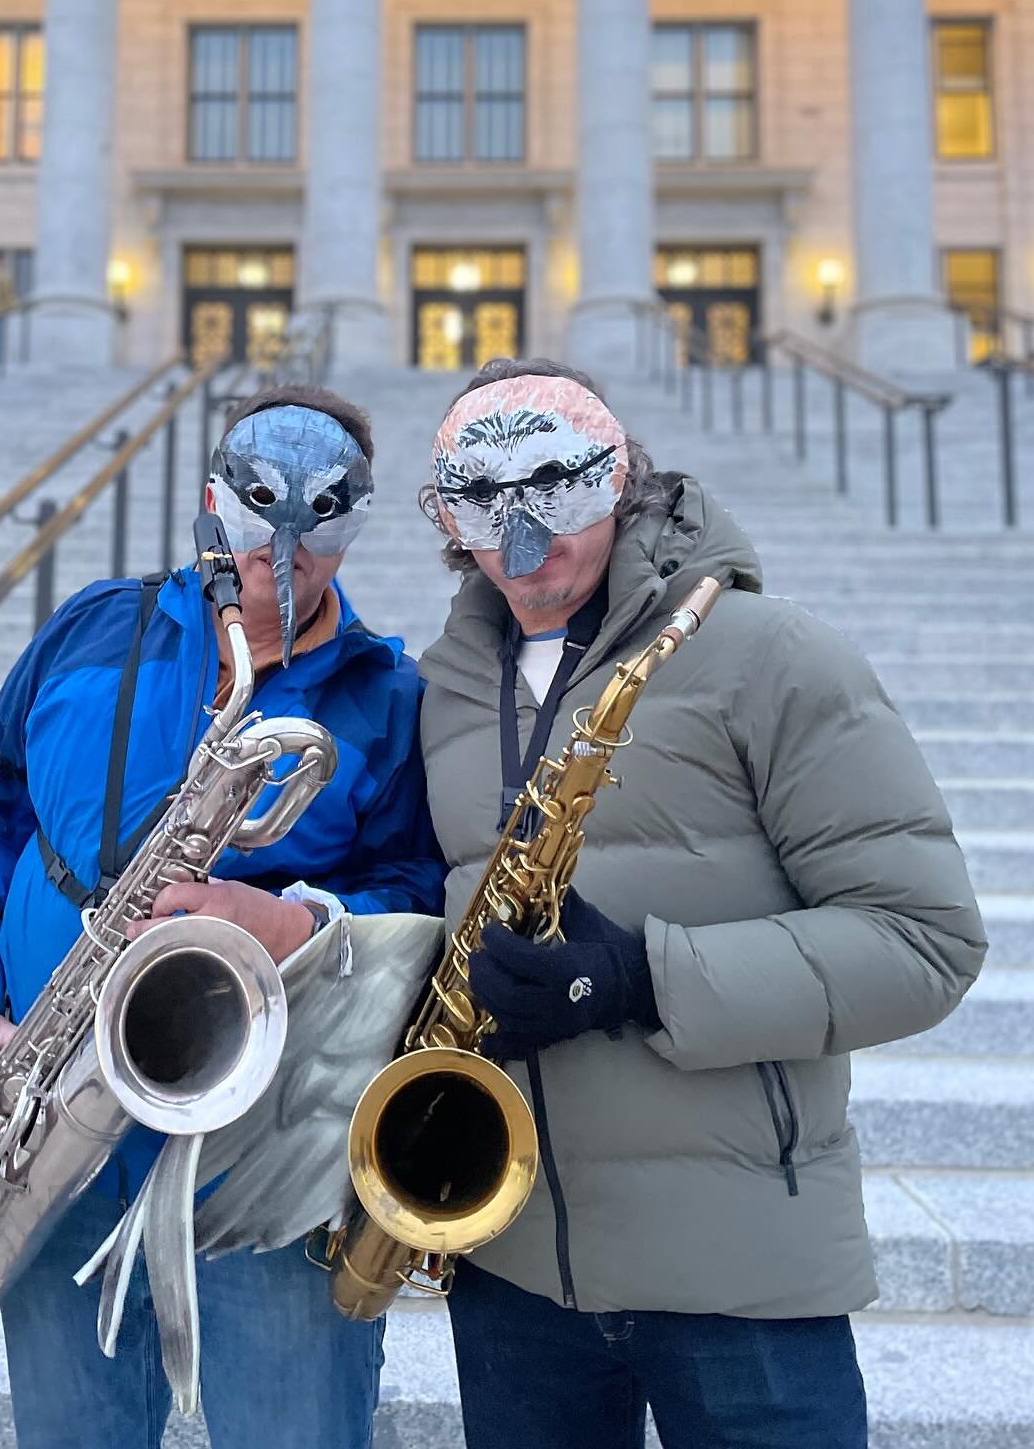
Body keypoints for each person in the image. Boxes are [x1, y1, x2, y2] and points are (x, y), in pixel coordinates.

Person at [416, 356, 987, 1449]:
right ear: (446, 514)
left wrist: (638, 977)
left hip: (741, 1277)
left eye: (555, 485)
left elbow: (926, 942)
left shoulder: (771, 655)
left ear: (623, 477)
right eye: (480, 499)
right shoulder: (445, 685)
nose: (522, 532)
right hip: (516, 1267)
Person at [0, 384, 445, 1449]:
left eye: (320, 526)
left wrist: (295, 921)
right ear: (212, 501)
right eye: (257, 520)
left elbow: (425, 893)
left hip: (268, 1152)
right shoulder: (90, 628)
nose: (281, 560)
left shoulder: (389, 695)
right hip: (53, 1123)